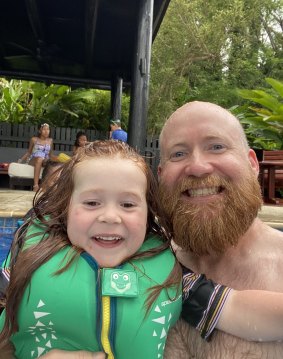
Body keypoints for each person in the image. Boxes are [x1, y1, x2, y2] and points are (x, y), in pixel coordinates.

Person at [1, 141, 283, 359]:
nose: (110, 217)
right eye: (91, 203)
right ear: (67, 207)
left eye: (127, 205)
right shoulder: (31, 257)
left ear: (148, 215)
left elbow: (235, 308)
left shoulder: (169, 274)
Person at [157, 101, 283, 358]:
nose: (198, 167)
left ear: (252, 164)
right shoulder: (138, 263)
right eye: (178, 154)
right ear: (161, 174)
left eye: (216, 147)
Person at [18, 123, 56, 191]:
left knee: (48, 162)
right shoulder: (34, 139)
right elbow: (29, 152)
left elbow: (50, 155)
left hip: (45, 159)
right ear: (39, 131)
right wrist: (20, 161)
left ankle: (45, 185)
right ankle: (35, 185)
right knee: (39, 159)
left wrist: (59, 159)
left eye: (48, 129)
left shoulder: (50, 141)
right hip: (34, 159)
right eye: (44, 129)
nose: (46, 131)